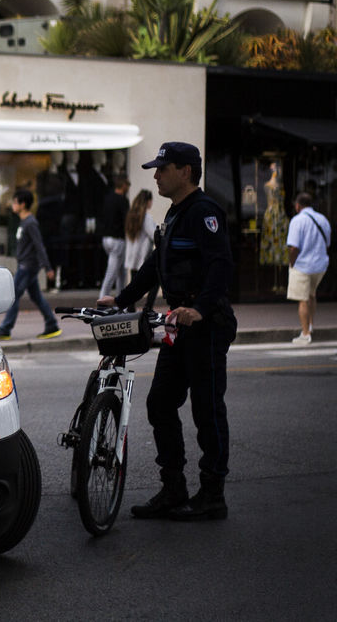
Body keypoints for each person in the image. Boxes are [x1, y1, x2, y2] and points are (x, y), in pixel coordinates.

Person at [98, 141, 237, 521]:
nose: (156, 175)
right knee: (160, 403)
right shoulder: (175, 213)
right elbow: (154, 266)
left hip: (206, 325)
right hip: (180, 324)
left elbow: (221, 265)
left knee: (207, 411)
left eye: (163, 168)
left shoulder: (204, 212)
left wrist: (200, 309)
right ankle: (173, 488)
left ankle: (212, 495)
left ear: (185, 171)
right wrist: (122, 299)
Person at [0, 188, 61, 341]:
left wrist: (48, 267)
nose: (12, 205)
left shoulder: (31, 223)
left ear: (23, 204)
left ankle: (5, 329)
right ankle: (51, 324)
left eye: (15, 202)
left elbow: (39, 246)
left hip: (28, 266)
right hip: (25, 265)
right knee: (36, 296)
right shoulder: (24, 221)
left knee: (13, 296)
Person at [286, 191, 331, 345]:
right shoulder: (323, 219)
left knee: (303, 299)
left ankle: (305, 334)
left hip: (303, 266)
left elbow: (293, 247)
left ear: (297, 206)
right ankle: (310, 326)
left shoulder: (297, 221)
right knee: (311, 295)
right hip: (320, 265)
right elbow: (327, 243)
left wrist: (292, 263)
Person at [99, 174, 130, 297]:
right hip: (117, 239)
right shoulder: (123, 200)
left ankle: (120, 299)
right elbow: (126, 220)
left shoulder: (107, 198)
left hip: (106, 238)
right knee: (111, 273)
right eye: (127, 185)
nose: (128, 187)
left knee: (121, 272)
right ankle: (102, 298)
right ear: (123, 185)